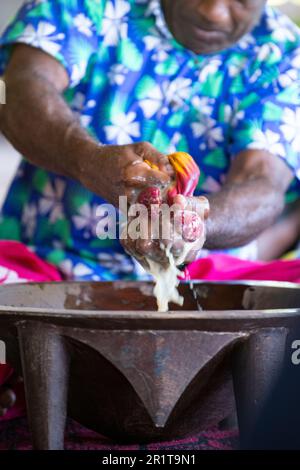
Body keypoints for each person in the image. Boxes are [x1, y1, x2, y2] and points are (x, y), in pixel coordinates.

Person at [0, 0, 300, 418]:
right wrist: (88, 160)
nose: (214, 12)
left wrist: (199, 221)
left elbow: (264, 183)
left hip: (208, 284)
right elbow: (17, 89)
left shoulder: (284, 53)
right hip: (47, 272)